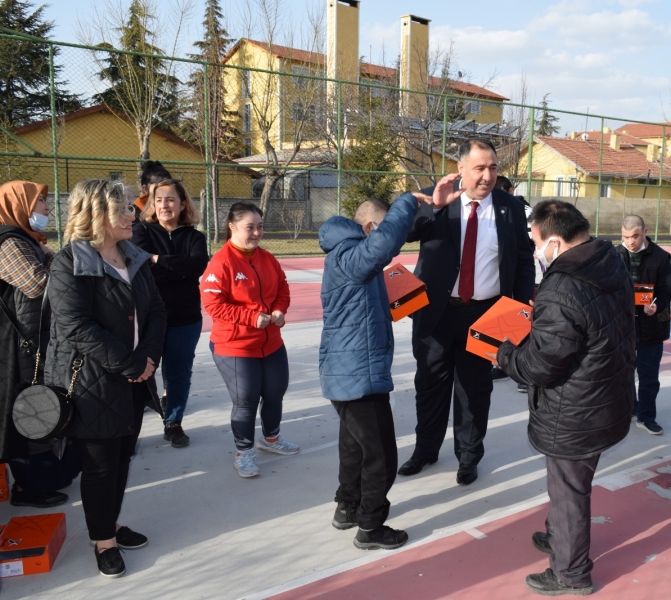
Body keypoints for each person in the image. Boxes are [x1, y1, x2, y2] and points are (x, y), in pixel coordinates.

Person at [493, 200, 635, 596]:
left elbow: (540, 365)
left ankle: (570, 573)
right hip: (605, 395)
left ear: (554, 242)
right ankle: (558, 536)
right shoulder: (609, 259)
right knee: (569, 483)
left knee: (569, 491)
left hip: (575, 408)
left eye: (536, 242)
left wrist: (504, 354)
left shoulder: (561, 286)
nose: (535, 250)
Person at [319, 186, 457, 551]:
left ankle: (347, 507)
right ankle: (371, 526)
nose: (392, 245)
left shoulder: (346, 257)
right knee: (382, 454)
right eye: (381, 232)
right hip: (357, 374)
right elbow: (384, 244)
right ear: (368, 229)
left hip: (351, 371)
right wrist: (410, 201)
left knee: (354, 448)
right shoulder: (351, 255)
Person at [45, 179, 166, 578]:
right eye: (123, 210)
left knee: (122, 459)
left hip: (135, 377)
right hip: (92, 383)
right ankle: (104, 541)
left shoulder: (133, 256)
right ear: (96, 214)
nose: (133, 215)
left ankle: (107, 522)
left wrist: (147, 358)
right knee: (100, 465)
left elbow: (157, 312)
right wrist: (130, 364)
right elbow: (75, 326)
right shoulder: (69, 262)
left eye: (131, 209)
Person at [400, 138, 535, 486]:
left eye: (492, 167)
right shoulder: (436, 196)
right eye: (479, 168)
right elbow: (405, 233)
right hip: (435, 313)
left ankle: (469, 456)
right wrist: (436, 207)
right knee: (430, 385)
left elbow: (522, 260)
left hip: (485, 315)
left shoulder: (509, 207)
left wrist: (518, 310)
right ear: (460, 169)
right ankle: (425, 450)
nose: (487, 175)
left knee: (474, 390)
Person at [201, 202, 298, 478]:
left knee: (275, 392)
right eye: (250, 227)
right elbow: (213, 304)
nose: (256, 233)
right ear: (232, 227)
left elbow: (282, 288)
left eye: (260, 227)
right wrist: (250, 317)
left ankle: (271, 440)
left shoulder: (267, 258)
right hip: (235, 346)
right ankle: (244, 453)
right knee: (245, 400)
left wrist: (279, 309)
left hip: (271, 342)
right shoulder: (221, 263)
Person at [0, 181, 80, 508]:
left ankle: (43, 478)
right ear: (18, 206)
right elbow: (37, 285)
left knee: (42, 407)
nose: (47, 210)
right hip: (17, 346)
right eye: (40, 204)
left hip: (33, 339)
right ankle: (29, 488)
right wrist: (56, 263)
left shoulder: (27, 241)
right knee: (29, 411)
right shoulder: (7, 243)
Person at [132, 179, 209, 448]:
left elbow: (197, 265)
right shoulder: (140, 231)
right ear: (152, 204)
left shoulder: (194, 237)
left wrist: (157, 259)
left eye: (171, 199)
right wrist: (177, 268)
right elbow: (140, 265)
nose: (165, 204)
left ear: (183, 203)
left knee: (178, 373)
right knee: (140, 371)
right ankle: (131, 428)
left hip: (185, 317)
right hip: (148, 317)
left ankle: (173, 422)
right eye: (159, 199)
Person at [618, 215, 671, 436]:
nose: (630, 241)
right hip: (622, 327)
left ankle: (647, 416)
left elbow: (665, 291)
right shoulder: (613, 255)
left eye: (635, 236)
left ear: (645, 231)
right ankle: (630, 408)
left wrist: (656, 306)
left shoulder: (661, 257)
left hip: (651, 327)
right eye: (625, 236)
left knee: (649, 376)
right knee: (623, 373)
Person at [491, 175, 533, 390]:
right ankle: (505, 364)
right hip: (514, 272)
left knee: (521, 322)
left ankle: (519, 369)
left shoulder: (519, 209)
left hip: (526, 269)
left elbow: (527, 251)